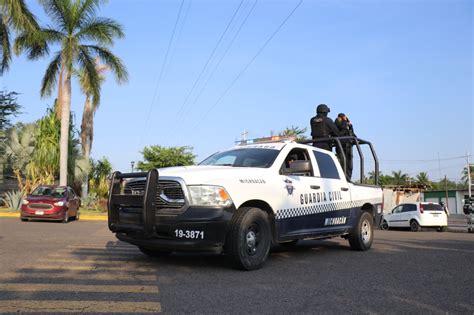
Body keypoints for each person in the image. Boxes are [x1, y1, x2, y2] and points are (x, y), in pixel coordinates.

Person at [335, 113, 356, 180]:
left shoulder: (346, 124)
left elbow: (352, 134)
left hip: (348, 146)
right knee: (342, 163)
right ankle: (343, 178)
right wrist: (344, 121)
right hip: (341, 145)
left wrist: (350, 126)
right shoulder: (337, 121)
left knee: (349, 165)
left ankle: (348, 179)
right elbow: (341, 130)